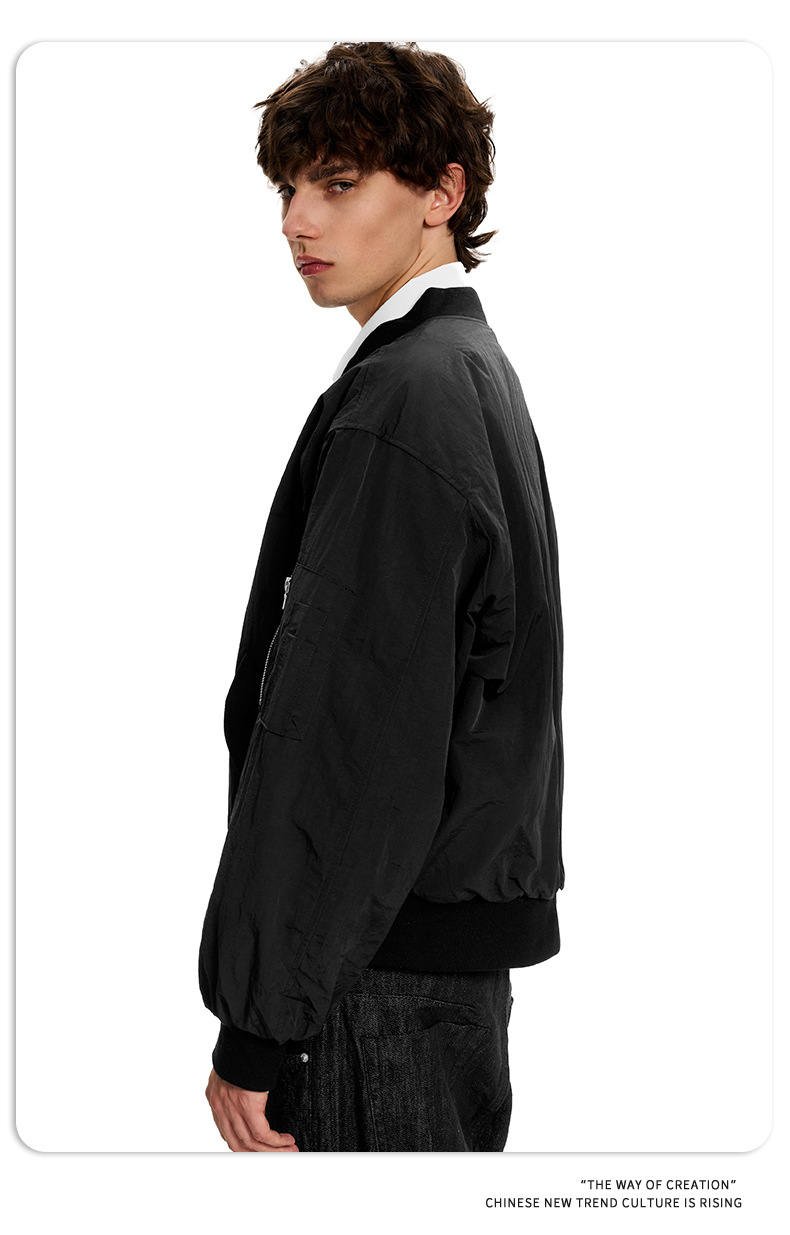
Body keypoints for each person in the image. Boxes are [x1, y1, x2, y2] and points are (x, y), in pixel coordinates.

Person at [198, 40, 565, 1153]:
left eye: (339, 182)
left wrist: (260, 1021)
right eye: (287, 188)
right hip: (424, 970)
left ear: (442, 193)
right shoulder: (461, 369)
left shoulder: (408, 397)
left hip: (369, 981)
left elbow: (350, 738)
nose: (296, 221)